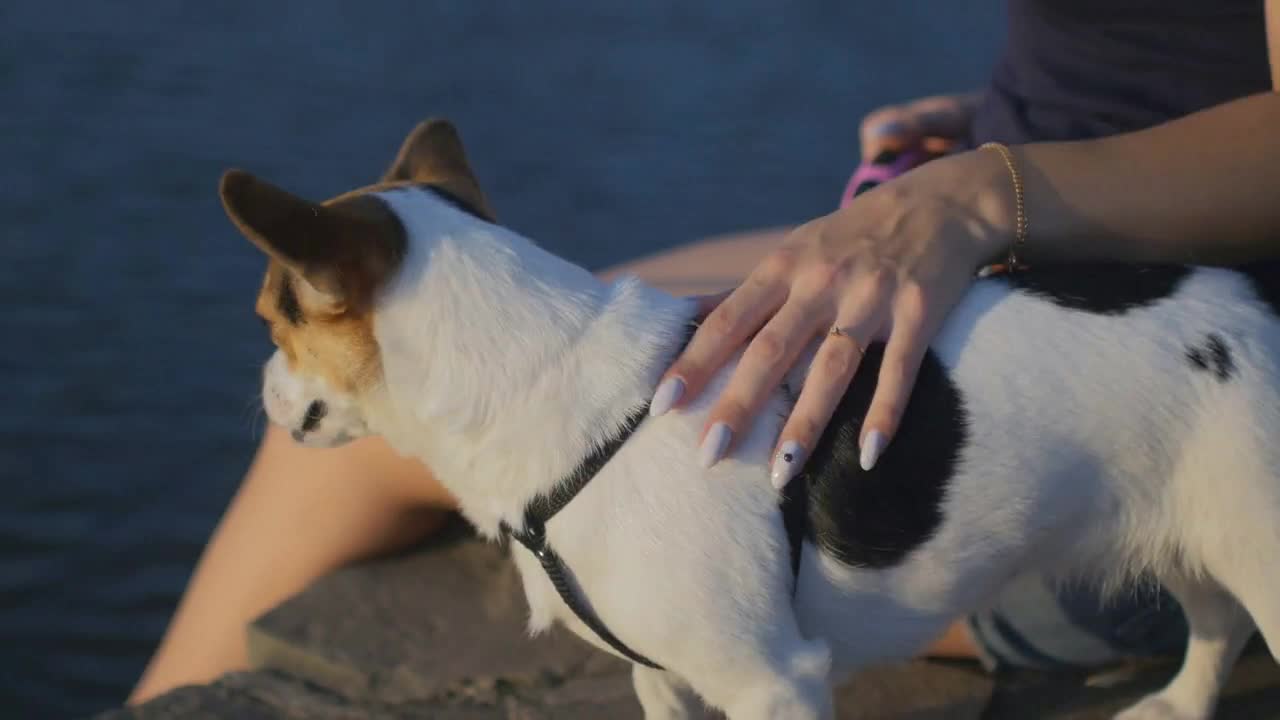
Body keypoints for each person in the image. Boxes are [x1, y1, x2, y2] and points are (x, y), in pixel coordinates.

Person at [129, 0, 1280, 703]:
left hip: (1171, 326)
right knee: (604, 329)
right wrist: (990, 117)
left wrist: (988, 189)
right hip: (1027, 223)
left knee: (327, 455)